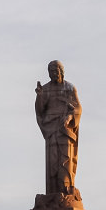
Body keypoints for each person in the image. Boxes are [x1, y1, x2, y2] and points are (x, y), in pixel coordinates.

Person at [34, 60, 82, 198]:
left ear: (61, 72)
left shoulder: (69, 88)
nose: (53, 74)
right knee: (53, 160)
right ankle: (53, 192)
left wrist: (69, 117)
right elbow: (40, 110)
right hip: (50, 128)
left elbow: (77, 108)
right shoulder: (45, 89)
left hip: (65, 129)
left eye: (56, 71)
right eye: (51, 72)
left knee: (65, 158)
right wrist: (39, 96)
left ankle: (66, 189)